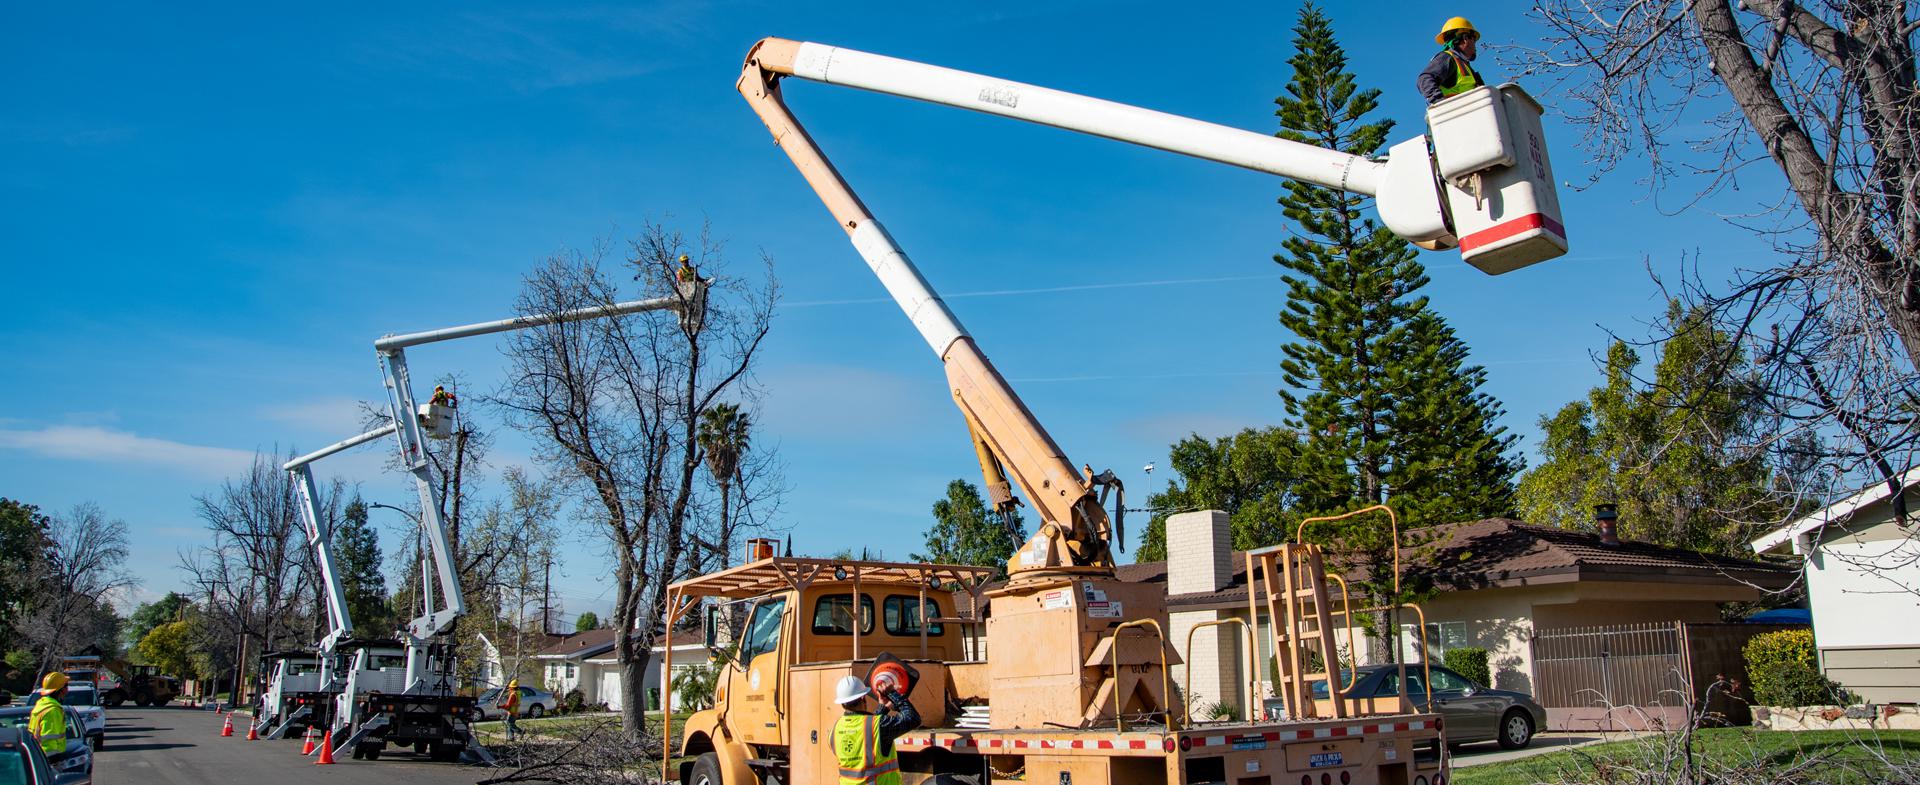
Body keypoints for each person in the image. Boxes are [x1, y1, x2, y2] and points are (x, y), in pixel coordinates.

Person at [832, 674, 918, 785]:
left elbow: (866, 731)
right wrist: (892, 693)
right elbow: (913, 718)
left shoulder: (835, 729)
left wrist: (883, 707)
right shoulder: (877, 726)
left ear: (842, 704)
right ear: (863, 698)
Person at [1418, 17, 1484, 105]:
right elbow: (1424, 79)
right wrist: (1440, 102)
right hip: (1455, 115)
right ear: (1465, 39)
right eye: (1474, 39)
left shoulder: (1465, 67)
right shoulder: (1447, 58)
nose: (1475, 45)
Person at [28, 672, 68, 758]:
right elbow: (49, 739)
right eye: (66, 686)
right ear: (61, 689)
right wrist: (53, 759)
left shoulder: (41, 705)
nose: (67, 690)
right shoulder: (52, 710)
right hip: (50, 758)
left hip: (38, 755)